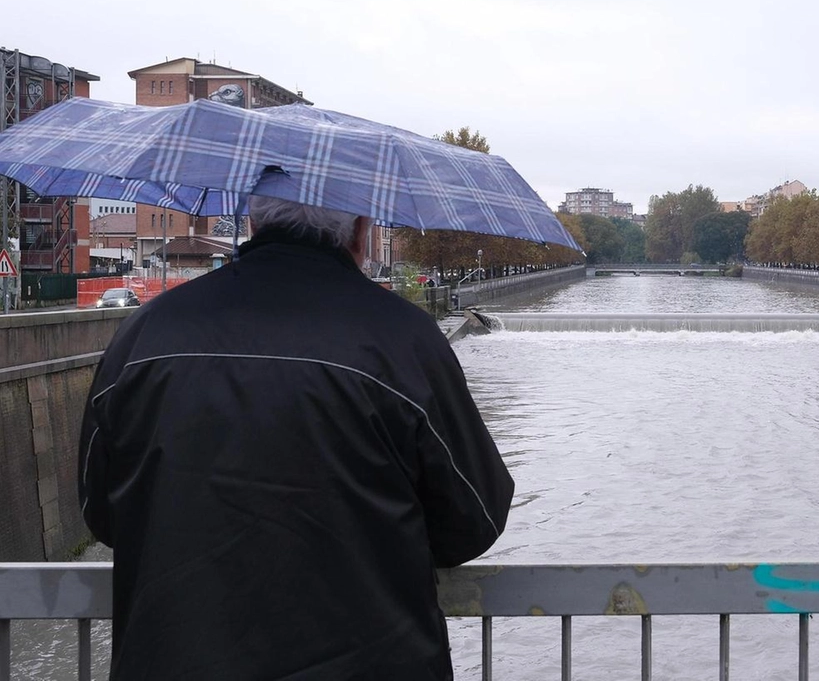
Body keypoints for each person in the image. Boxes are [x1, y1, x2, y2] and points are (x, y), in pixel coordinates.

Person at [78, 194, 514, 680]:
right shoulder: (405, 337)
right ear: (361, 231)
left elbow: (101, 512)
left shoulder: (145, 333)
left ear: (252, 221)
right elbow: (474, 518)